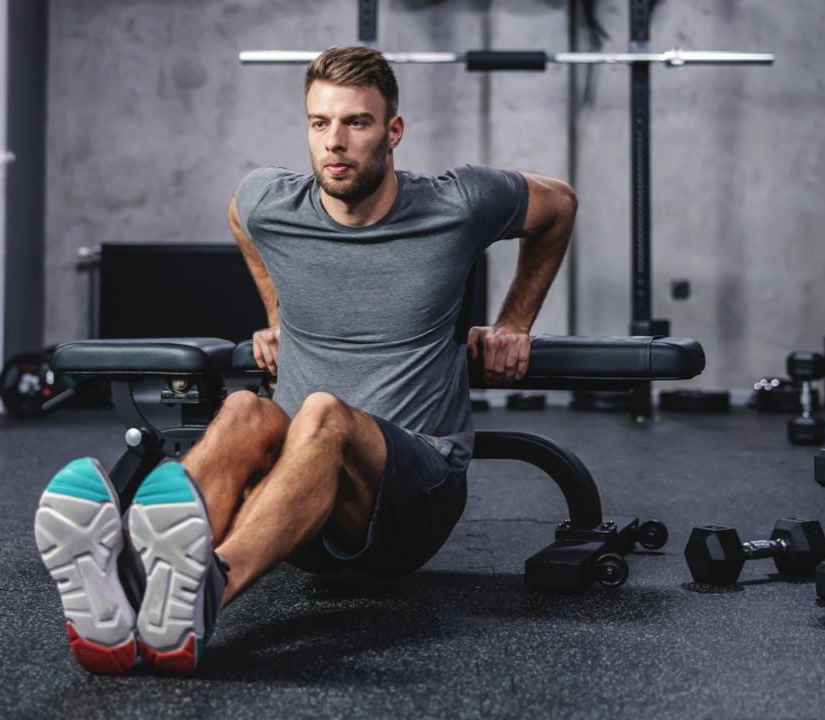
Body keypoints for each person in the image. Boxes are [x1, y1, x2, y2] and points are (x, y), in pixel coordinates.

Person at [33, 45, 577, 676]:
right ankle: (132, 592)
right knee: (243, 410)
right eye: (320, 124)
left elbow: (558, 204)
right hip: (297, 507)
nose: (334, 142)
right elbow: (241, 218)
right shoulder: (271, 202)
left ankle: (202, 592)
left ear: (393, 131)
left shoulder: (458, 204)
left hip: (413, 499)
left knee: (319, 413)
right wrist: (277, 315)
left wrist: (514, 321)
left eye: (356, 123)